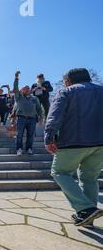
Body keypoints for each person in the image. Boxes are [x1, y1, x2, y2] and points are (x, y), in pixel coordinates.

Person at [45, 68, 103, 227]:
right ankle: (87, 216)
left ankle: (85, 209)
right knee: (89, 177)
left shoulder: (67, 92)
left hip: (73, 141)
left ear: (68, 81)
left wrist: (49, 137)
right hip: (100, 143)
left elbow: (55, 115)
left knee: (59, 172)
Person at [13, 71, 43, 156]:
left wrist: (41, 117)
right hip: (21, 118)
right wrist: (16, 78)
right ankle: (19, 149)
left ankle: (29, 149)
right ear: (22, 90)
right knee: (19, 135)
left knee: (31, 135)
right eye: (24, 88)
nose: (26, 89)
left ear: (29, 90)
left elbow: (39, 109)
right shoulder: (18, 97)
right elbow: (15, 88)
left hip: (32, 119)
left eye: (28, 88)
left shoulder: (34, 98)